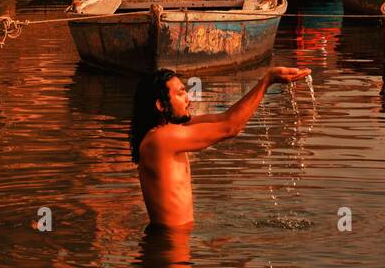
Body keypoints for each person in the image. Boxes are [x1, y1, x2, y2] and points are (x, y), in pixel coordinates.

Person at [131, 66, 310, 228]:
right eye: (180, 93)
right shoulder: (162, 138)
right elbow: (230, 127)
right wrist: (267, 81)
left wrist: (265, 82)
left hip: (176, 237)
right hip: (169, 244)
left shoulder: (171, 130)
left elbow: (225, 118)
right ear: (161, 105)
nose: (188, 97)